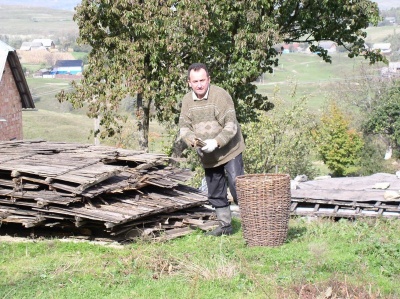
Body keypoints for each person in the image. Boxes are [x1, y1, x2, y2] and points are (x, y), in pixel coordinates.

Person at [178, 63, 245, 236]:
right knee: (215, 191)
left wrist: (216, 142)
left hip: (230, 149)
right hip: (207, 154)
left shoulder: (220, 95)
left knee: (238, 186)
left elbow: (231, 125)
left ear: (209, 79)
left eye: (202, 80)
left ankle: (252, 223)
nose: (199, 85)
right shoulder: (187, 101)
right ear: (189, 82)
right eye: (195, 81)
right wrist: (195, 142)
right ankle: (225, 226)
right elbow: (184, 128)